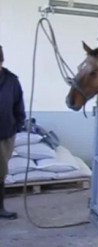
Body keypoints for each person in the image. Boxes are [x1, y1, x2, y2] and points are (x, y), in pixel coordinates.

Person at [0, 45, 26, 220]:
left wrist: (16, 126)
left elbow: (19, 106)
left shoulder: (11, 81)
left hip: (4, 134)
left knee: (0, 172)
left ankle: (0, 208)